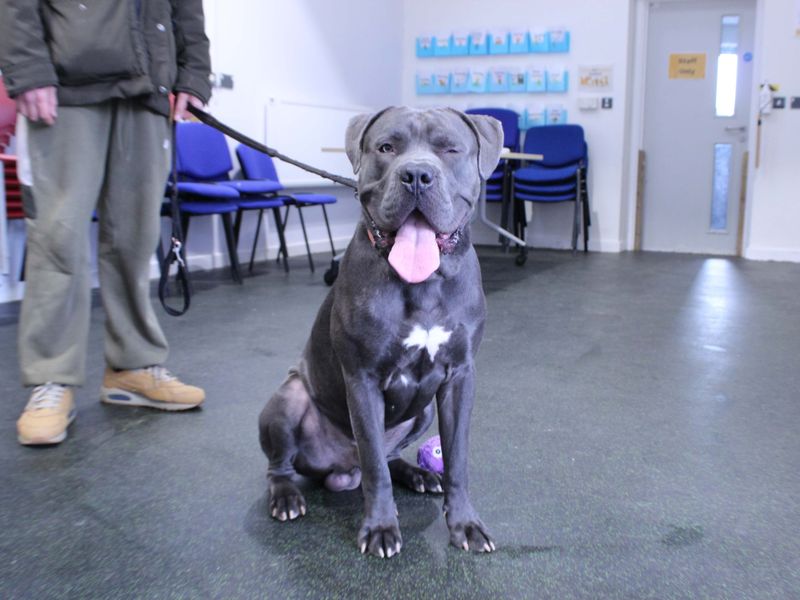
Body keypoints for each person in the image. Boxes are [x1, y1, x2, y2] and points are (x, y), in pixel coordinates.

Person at [0, 0, 212, 445]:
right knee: (58, 237)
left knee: (136, 238)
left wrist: (194, 73)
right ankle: (52, 378)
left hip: (148, 87)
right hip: (66, 85)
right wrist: (28, 68)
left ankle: (132, 367)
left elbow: (187, 7)